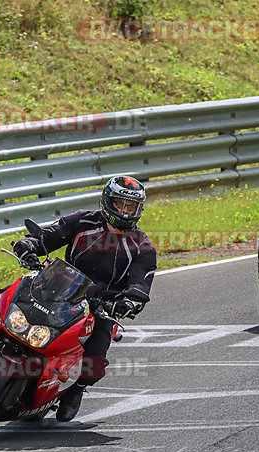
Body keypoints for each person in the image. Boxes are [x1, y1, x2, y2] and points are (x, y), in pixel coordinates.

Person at [12, 175, 157, 422]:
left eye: (129, 206)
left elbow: (140, 284)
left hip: (100, 307)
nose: (123, 210)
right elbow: (49, 235)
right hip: (60, 289)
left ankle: (75, 391)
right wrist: (30, 244)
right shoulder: (83, 220)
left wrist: (130, 301)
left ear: (138, 210)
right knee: (12, 297)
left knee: (95, 361)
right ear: (107, 201)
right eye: (119, 203)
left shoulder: (142, 247)